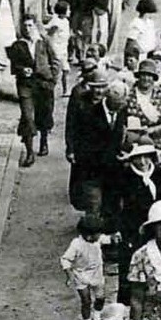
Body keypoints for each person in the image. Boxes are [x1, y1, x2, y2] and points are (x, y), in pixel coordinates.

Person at [113, 143, 161, 301]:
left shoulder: (159, 173)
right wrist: (117, 229)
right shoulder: (125, 176)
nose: (143, 161)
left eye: (146, 156)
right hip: (133, 227)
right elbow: (116, 205)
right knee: (131, 265)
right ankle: (126, 306)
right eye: (138, 157)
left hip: (157, 224)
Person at [64, 72, 126, 219]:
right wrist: (71, 149)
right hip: (92, 165)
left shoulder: (121, 109)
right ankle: (91, 229)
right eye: (95, 87)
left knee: (111, 202)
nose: (99, 91)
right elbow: (73, 127)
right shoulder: (86, 109)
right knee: (93, 201)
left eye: (102, 87)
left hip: (112, 165)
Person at [6, 14, 60, 166]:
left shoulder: (43, 42)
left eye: (30, 26)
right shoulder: (18, 46)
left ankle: (44, 141)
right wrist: (22, 70)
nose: (28, 29)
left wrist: (53, 79)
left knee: (44, 113)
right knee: (27, 116)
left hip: (44, 84)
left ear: (36, 27)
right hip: (26, 86)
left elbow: (55, 60)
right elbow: (14, 67)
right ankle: (29, 152)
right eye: (25, 26)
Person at [61, 213, 113, 320]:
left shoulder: (98, 239)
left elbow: (107, 239)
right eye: (98, 233)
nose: (100, 235)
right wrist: (69, 275)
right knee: (86, 300)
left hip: (97, 274)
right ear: (89, 236)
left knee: (100, 297)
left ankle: (97, 317)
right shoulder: (76, 244)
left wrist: (114, 238)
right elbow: (65, 259)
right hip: (81, 276)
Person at [124, 59, 161, 144]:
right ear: (139, 76)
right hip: (133, 141)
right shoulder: (129, 95)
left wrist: (153, 130)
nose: (146, 78)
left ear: (154, 78)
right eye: (143, 75)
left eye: (149, 75)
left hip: (157, 141)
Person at [44, 2, 72, 96]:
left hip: (64, 49)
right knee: (56, 71)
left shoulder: (66, 21)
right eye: (68, 10)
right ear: (62, 12)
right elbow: (49, 34)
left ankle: (65, 90)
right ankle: (50, 89)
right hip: (57, 49)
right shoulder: (56, 22)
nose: (69, 11)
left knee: (66, 70)